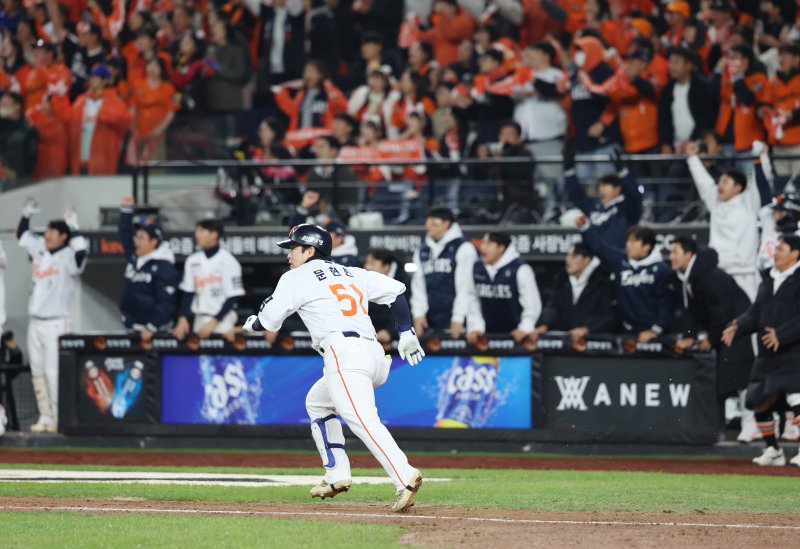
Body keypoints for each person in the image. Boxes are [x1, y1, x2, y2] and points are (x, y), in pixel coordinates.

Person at [242, 224, 425, 512]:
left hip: (345, 354)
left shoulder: (296, 277)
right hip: (374, 356)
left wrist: (252, 323)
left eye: (293, 248)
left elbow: (268, 322)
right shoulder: (352, 272)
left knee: (362, 419)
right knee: (317, 402)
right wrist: (406, 331)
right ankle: (336, 473)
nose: (289, 254)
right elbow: (396, 292)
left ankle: (405, 476)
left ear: (310, 250)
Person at [721, 235, 800, 467]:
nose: (775, 253)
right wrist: (738, 325)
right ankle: (773, 450)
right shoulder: (768, 279)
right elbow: (756, 312)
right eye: (776, 248)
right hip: (767, 353)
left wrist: (782, 335)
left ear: (796, 253)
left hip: (794, 351)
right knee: (757, 400)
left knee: (797, 397)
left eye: (781, 249)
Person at [669, 236, 756, 441]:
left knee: (741, 376)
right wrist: (690, 336)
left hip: (737, 328)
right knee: (726, 377)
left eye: (675, 252)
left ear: (689, 254)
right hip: (724, 329)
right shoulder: (688, 277)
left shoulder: (709, 276)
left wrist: (712, 337)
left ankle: (751, 424)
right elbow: (691, 311)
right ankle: (728, 424)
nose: (671, 257)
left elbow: (721, 309)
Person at [16, 200, 87, 432]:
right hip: (35, 321)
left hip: (57, 322)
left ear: (63, 237)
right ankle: (45, 415)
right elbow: (22, 236)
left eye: (52, 232)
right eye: (47, 231)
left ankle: (59, 416)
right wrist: (26, 215)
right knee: (37, 371)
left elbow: (81, 257)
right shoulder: (40, 249)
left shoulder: (68, 255)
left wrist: (74, 227)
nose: (47, 235)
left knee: (53, 372)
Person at [685, 140, 768, 302]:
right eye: (719, 181)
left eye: (725, 182)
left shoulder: (749, 203)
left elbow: (762, 183)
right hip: (720, 273)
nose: (719, 186)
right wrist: (693, 159)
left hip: (745, 274)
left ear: (738, 187)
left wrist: (762, 157)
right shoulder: (715, 201)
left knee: (748, 315)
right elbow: (703, 182)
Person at [579, 221, 672, 343]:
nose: (628, 245)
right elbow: (599, 247)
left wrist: (655, 329)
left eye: (634, 241)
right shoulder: (620, 260)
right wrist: (584, 227)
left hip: (656, 334)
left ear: (646, 247)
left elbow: (666, 304)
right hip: (628, 331)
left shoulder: (662, 269)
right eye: (628, 241)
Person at [532, 242, 619, 344]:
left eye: (574, 256)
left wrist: (587, 329)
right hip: (567, 342)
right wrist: (545, 325)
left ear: (586, 259)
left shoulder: (603, 282)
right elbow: (554, 307)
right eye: (568, 255)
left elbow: (610, 317)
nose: (568, 260)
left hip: (595, 342)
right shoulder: (562, 280)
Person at [411, 207, 478, 338]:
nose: (428, 226)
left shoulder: (464, 248)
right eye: (427, 222)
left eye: (433, 222)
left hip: (458, 321)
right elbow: (418, 286)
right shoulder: (422, 250)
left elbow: (466, 287)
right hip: (429, 321)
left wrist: (458, 316)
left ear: (446, 223)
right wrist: (418, 313)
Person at [118, 196, 178, 341]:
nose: (136, 241)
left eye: (141, 238)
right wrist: (126, 210)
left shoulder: (164, 266)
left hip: (155, 332)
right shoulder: (135, 258)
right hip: (132, 326)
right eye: (136, 237)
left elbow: (166, 302)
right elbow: (125, 235)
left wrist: (152, 326)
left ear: (154, 241)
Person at [173, 219, 244, 341]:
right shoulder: (192, 260)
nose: (197, 235)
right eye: (196, 231)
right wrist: (182, 318)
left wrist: (214, 321)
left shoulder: (228, 261)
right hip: (199, 318)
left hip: (223, 320)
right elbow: (188, 293)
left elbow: (233, 297)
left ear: (214, 234)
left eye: (201, 231)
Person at [465, 232, 540, 343]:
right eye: (483, 243)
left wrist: (525, 327)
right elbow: (472, 299)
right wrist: (475, 327)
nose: (482, 247)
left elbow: (532, 304)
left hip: (516, 338)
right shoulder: (477, 268)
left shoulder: (520, 269)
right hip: (485, 338)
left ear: (501, 248)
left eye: (488, 244)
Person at [564, 147, 643, 248]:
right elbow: (576, 196)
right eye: (600, 186)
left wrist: (623, 173)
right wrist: (569, 171)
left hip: (617, 255)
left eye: (605, 185)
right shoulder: (595, 206)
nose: (600, 189)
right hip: (595, 255)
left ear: (617, 189)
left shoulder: (626, 209)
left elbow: (634, 195)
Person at [67, 64, 132, 175]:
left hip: (102, 156)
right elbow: (69, 120)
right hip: (81, 156)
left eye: (96, 77)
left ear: (105, 80)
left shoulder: (114, 101)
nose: (92, 80)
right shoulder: (81, 100)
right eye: (91, 76)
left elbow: (125, 120)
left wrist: (103, 115)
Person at [363, 248, 410, 344]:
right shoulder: (362, 279)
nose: (367, 267)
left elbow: (404, 312)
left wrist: (390, 332)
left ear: (386, 267)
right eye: (367, 262)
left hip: (397, 339)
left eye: (372, 263)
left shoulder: (402, 284)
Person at [0, 90, 37, 185]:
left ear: (17, 106)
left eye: (5, 104)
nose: (2, 107)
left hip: (20, 181)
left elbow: (31, 160)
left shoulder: (29, 131)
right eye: (1, 104)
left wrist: (15, 174)